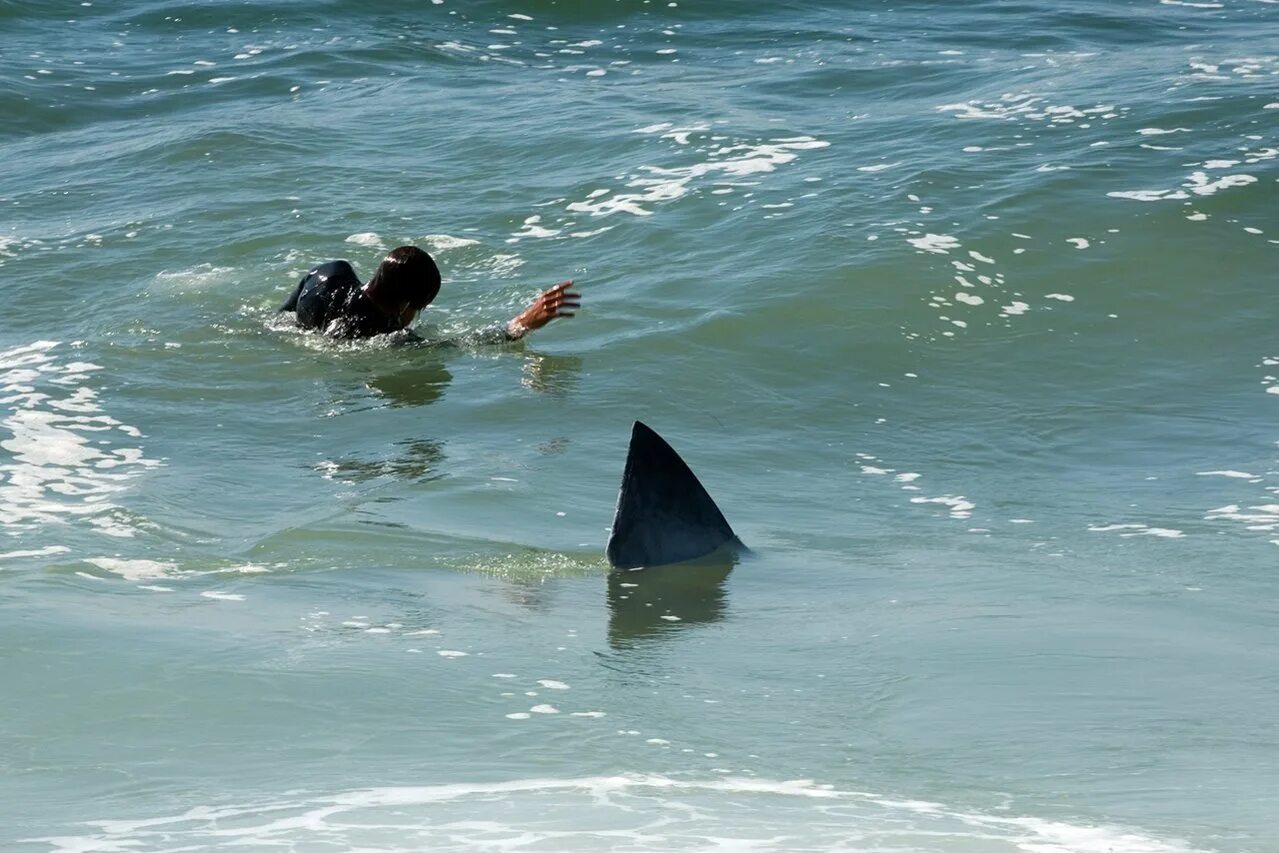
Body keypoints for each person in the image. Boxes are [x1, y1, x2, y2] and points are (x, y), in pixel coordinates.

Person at [279, 245, 580, 341]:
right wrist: (523, 323)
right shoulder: (384, 335)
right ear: (408, 304)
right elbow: (463, 346)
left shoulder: (331, 272)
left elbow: (283, 318)